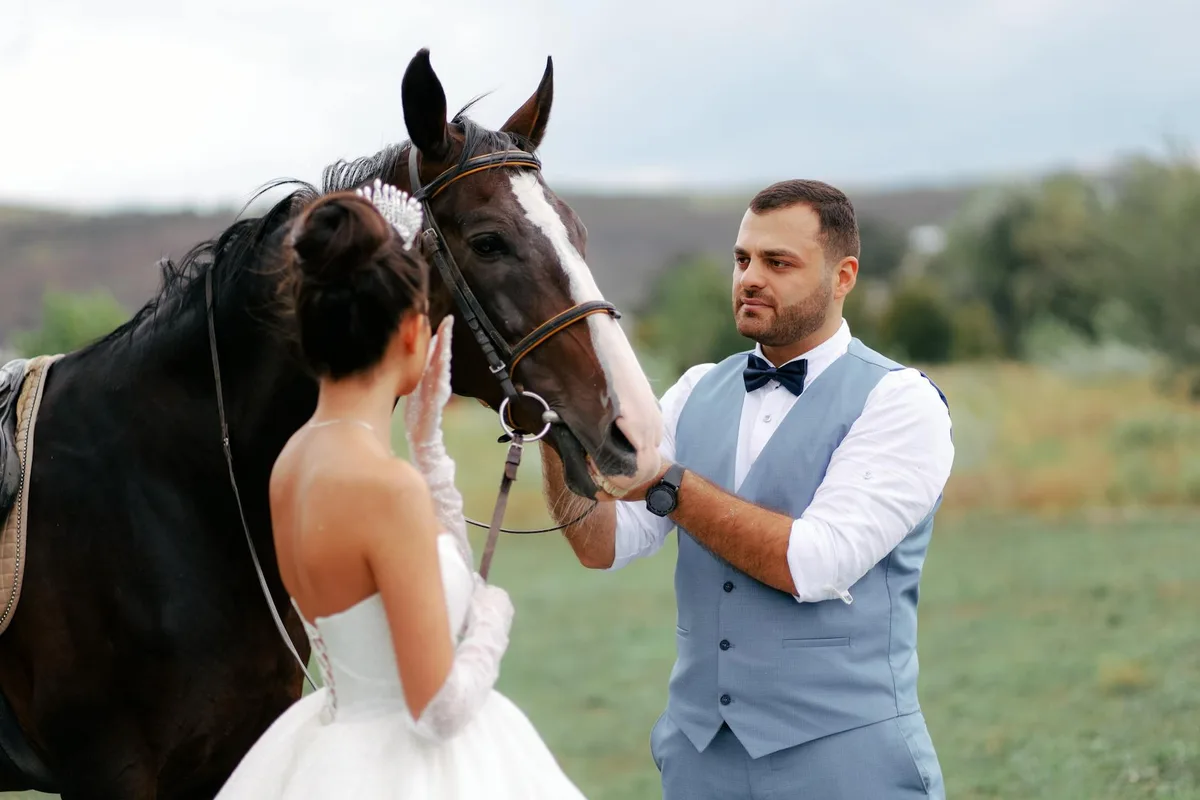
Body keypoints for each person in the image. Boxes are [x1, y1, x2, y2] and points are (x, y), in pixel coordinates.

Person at [540, 179, 954, 798]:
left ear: (843, 276)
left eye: (778, 262)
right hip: (699, 760)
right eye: (742, 259)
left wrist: (668, 484)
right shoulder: (696, 389)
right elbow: (603, 545)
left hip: (845, 765)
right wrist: (553, 429)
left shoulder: (900, 402)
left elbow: (814, 562)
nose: (750, 278)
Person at [216, 185, 587, 799]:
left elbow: (424, 588)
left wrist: (427, 444)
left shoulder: (294, 463)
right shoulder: (385, 489)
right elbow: (437, 708)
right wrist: (493, 622)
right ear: (414, 332)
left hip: (332, 755)